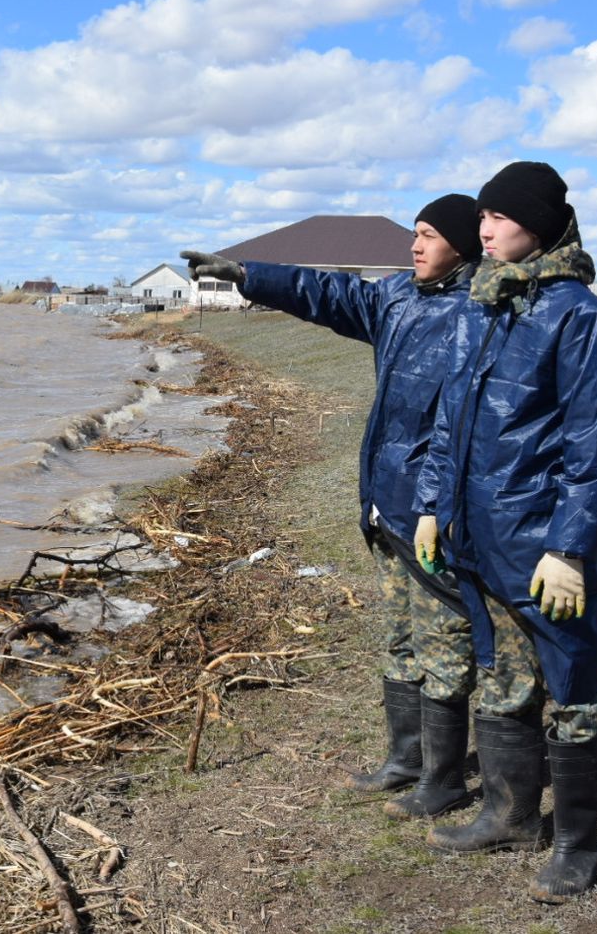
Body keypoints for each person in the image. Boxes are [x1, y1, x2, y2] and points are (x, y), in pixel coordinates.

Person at [182, 193, 482, 820]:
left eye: (429, 234)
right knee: (399, 635)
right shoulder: (397, 297)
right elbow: (329, 292)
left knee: (444, 641)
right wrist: (247, 275)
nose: (415, 244)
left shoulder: (479, 312)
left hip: (432, 507)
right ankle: (406, 759)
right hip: (383, 500)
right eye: (416, 233)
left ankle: (446, 778)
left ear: (462, 244)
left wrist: (438, 505)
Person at [412, 161, 597, 903]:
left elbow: (596, 449)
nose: (484, 229)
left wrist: (570, 548)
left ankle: (578, 842)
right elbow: (450, 422)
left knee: (571, 687)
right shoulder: (487, 306)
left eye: (497, 217)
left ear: (536, 225)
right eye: (480, 218)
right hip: (480, 541)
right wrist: (434, 505)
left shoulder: (583, 318)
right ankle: (507, 815)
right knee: (502, 679)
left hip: (544, 548)